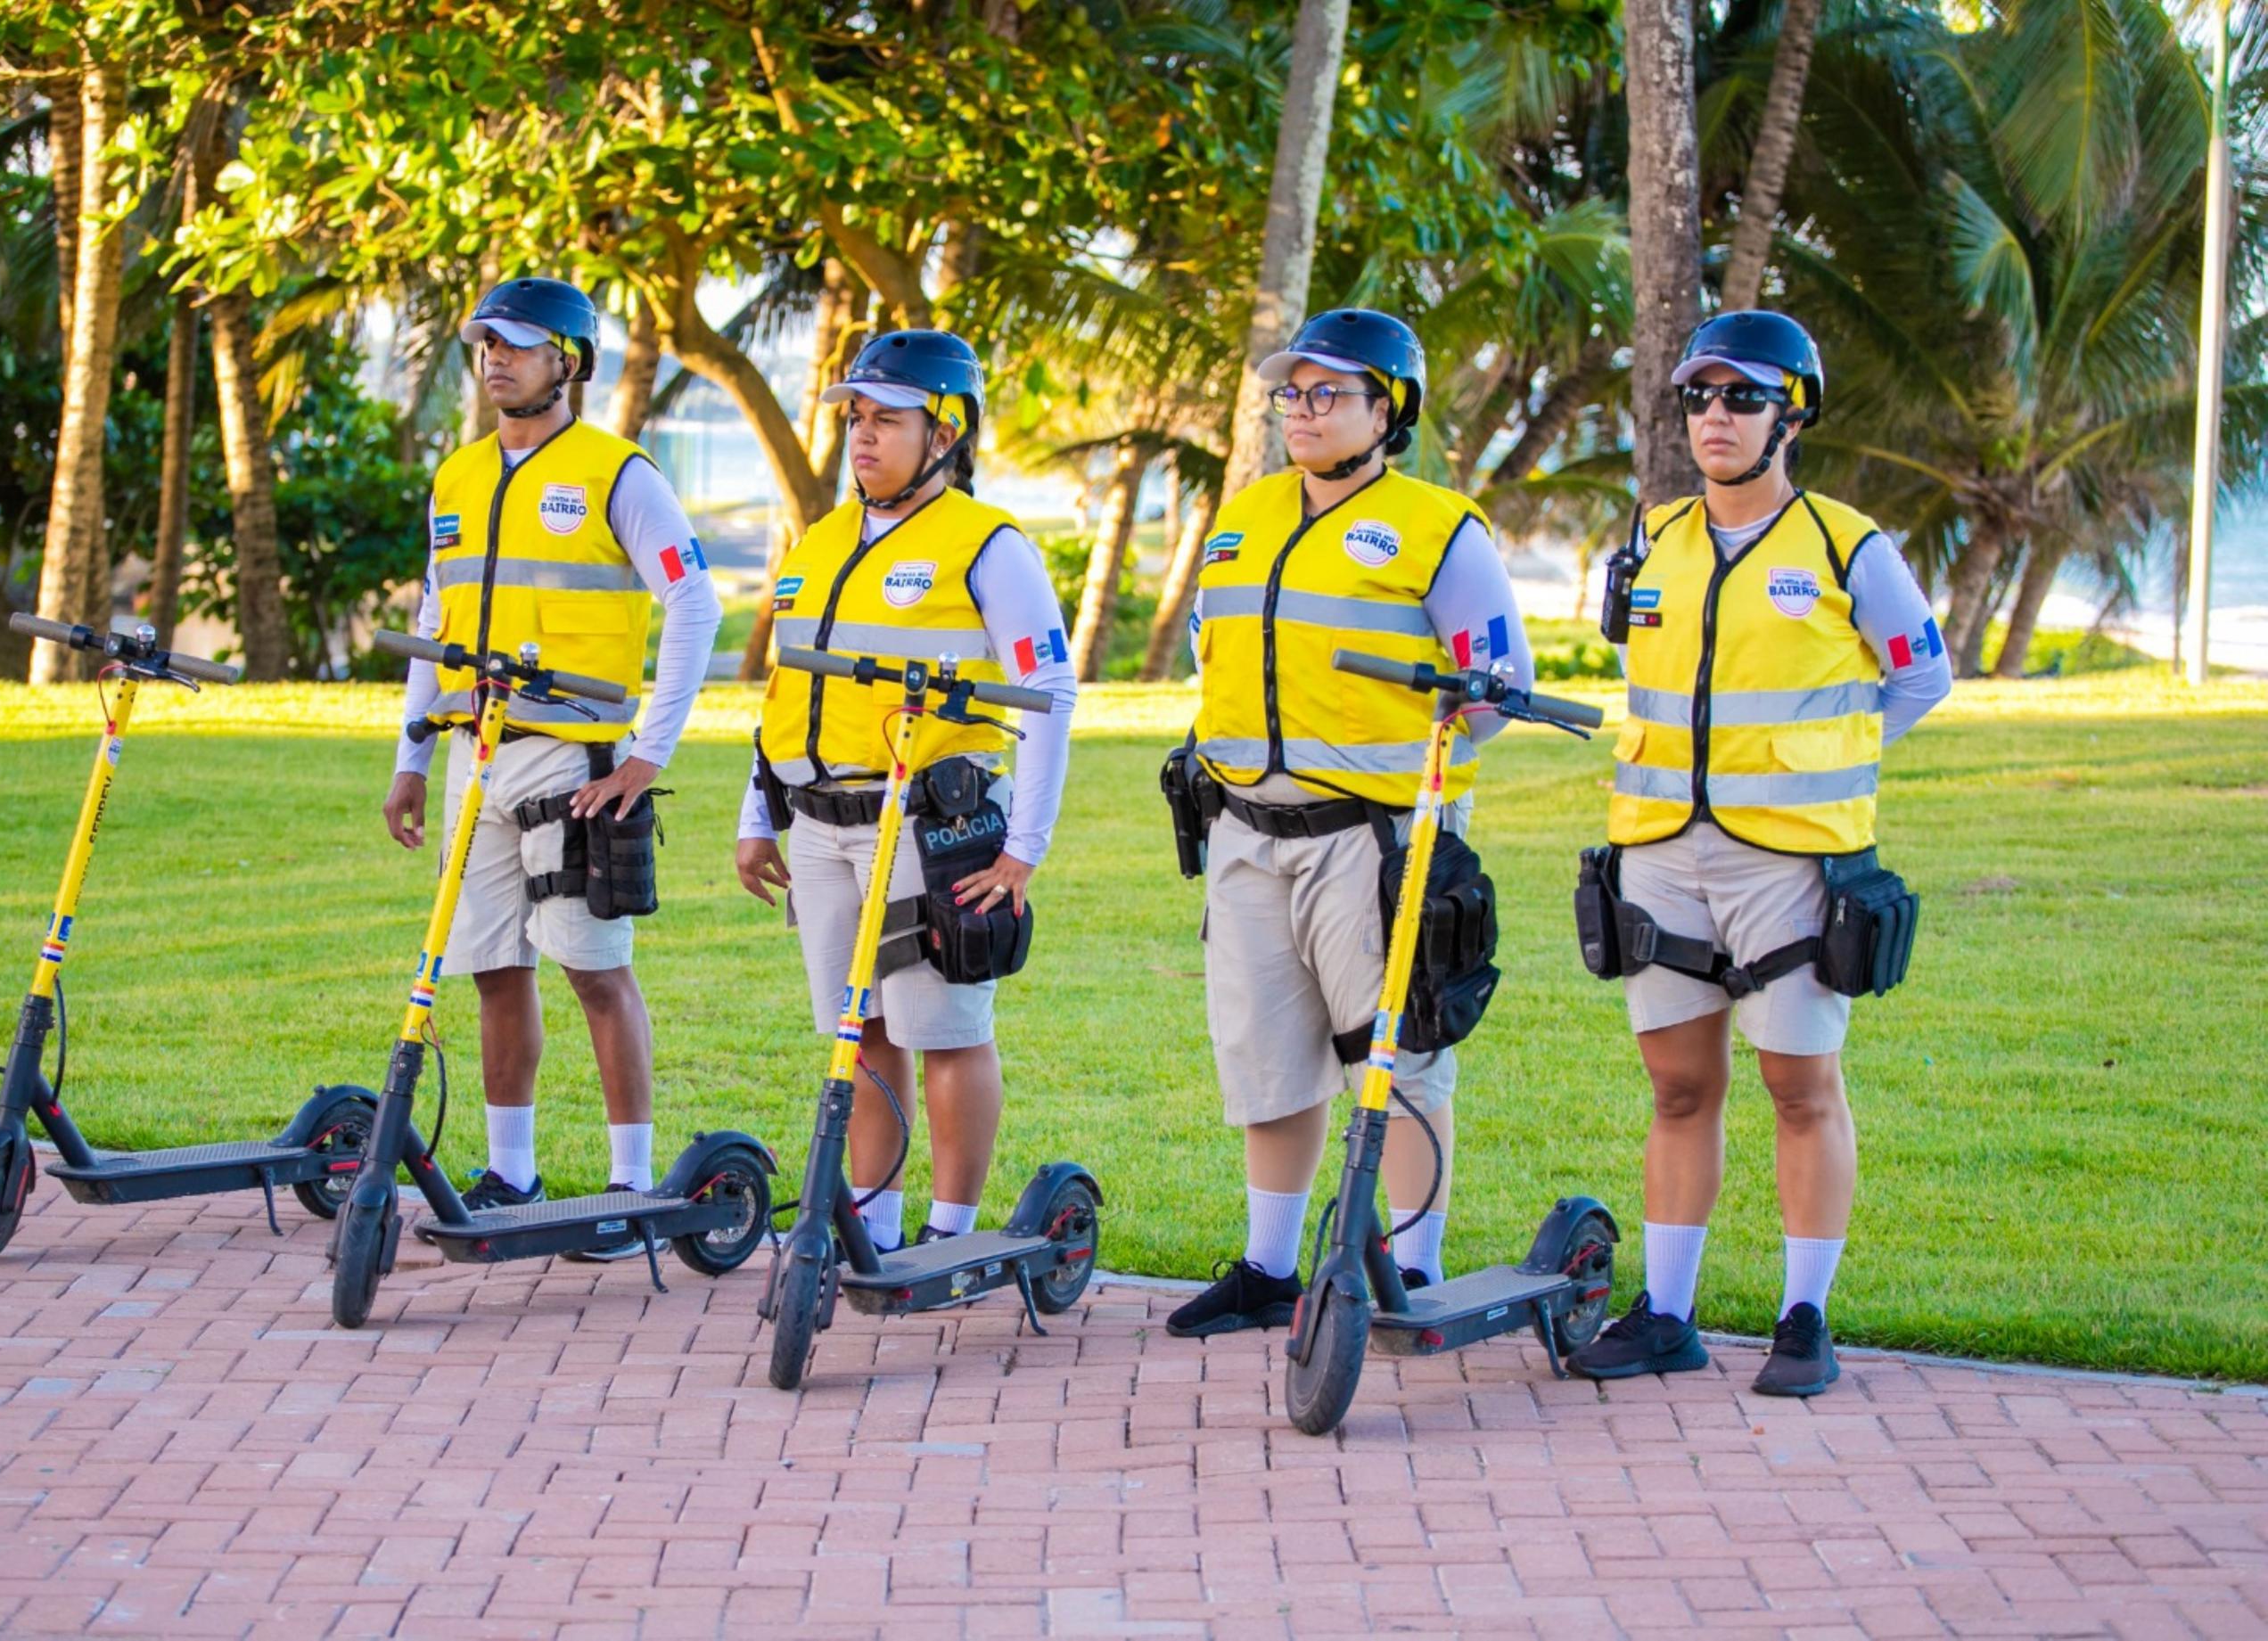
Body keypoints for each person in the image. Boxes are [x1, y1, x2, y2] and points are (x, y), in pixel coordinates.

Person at [1566, 310, 1951, 1395]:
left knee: (1799, 1087)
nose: (1716, 416)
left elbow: (1919, 677)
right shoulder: (1653, 536)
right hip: (1655, 851)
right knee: (1678, 1088)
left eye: (1741, 396)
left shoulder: (1845, 544)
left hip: (1786, 861)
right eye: (1698, 396)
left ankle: (1802, 1318)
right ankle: (1668, 1314)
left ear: (1792, 412)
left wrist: (1826, 759)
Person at [1162, 308, 1532, 1339]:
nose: (1303, 411)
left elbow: (1501, 684)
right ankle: (1268, 1266)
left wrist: (1434, 745)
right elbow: (1214, 650)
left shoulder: (1439, 525)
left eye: (1328, 393)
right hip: (1244, 829)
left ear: (1389, 408)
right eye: (1291, 393)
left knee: (1399, 1053)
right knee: (1266, 1054)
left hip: (1372, 838)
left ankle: (1408, 1270)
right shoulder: (1243, 516)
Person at [381, 278, 719, 1255]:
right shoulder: (456, 476)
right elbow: (437, 622)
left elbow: (694, 605)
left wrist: (649, 753)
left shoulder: (622, 475)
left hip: (575, 758)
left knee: (593, 968)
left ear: (568, 361)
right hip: (473, 753)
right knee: (491, 965)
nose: (496, 359)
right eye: (486, 343)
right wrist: (410, 754)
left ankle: (628, 1185)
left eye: (519, 346)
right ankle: (511, 1171)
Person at [735, 330, 1077, 1251]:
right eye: (855, 418)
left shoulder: (989, 546)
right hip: (818, 821)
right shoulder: (818, 540)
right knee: (863, 1031)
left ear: (946, 429)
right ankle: (873, 1224)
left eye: (887, 418)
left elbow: (1048, 692)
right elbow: (784, 692)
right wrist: (755, 815)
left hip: (931, 826)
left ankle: (950, 1229)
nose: (863, 436)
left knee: (947, 1028)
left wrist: (1024, 848)